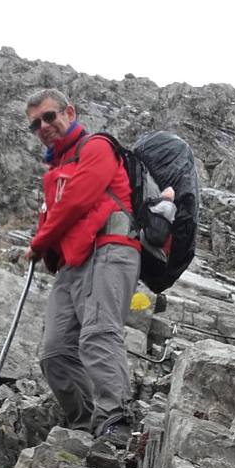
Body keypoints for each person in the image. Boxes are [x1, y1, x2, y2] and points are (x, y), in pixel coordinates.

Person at [23, 88, 140, 443]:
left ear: (69, 112)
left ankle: (116, 422)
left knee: (98, 334)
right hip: (73, 265)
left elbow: (77, 200)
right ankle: (86, 425)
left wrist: (39, 244)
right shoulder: (56, 170)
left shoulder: (97, 147)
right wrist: (49, 250)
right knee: (55, 352)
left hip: (110, 249)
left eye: (48, 117)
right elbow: (62, 214)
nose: (43, 126)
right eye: (34, 125)